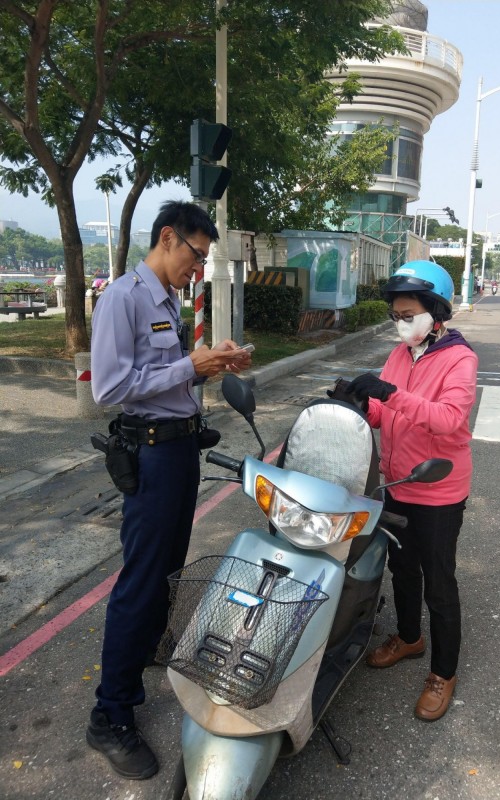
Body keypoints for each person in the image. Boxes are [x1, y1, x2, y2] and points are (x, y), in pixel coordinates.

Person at [86, 200, 251, 780]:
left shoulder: (168, 299)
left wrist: (210, 365)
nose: (198, 270)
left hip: (179, 450)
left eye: (204, 260)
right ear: (167, 238)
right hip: (150, 456)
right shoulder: (123, 298)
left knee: (167, 571)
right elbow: (111, 387)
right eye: (196, 256)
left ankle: (144, 657)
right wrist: (190, 367)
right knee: (141, 581)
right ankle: (110, 715)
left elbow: (164, 374)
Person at [346, 260, 478, 722]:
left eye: (409, 314)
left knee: (438, 584)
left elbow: (447, 420)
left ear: (435, 313)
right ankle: (408, 637)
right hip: (398, 483)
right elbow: (388, 414)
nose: (401, 323)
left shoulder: (460, 359)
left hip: (438, 491)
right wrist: (362, 405)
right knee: (402, 569)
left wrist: (390, 395)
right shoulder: (400, 355)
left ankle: (443, 672)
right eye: (396, 315)